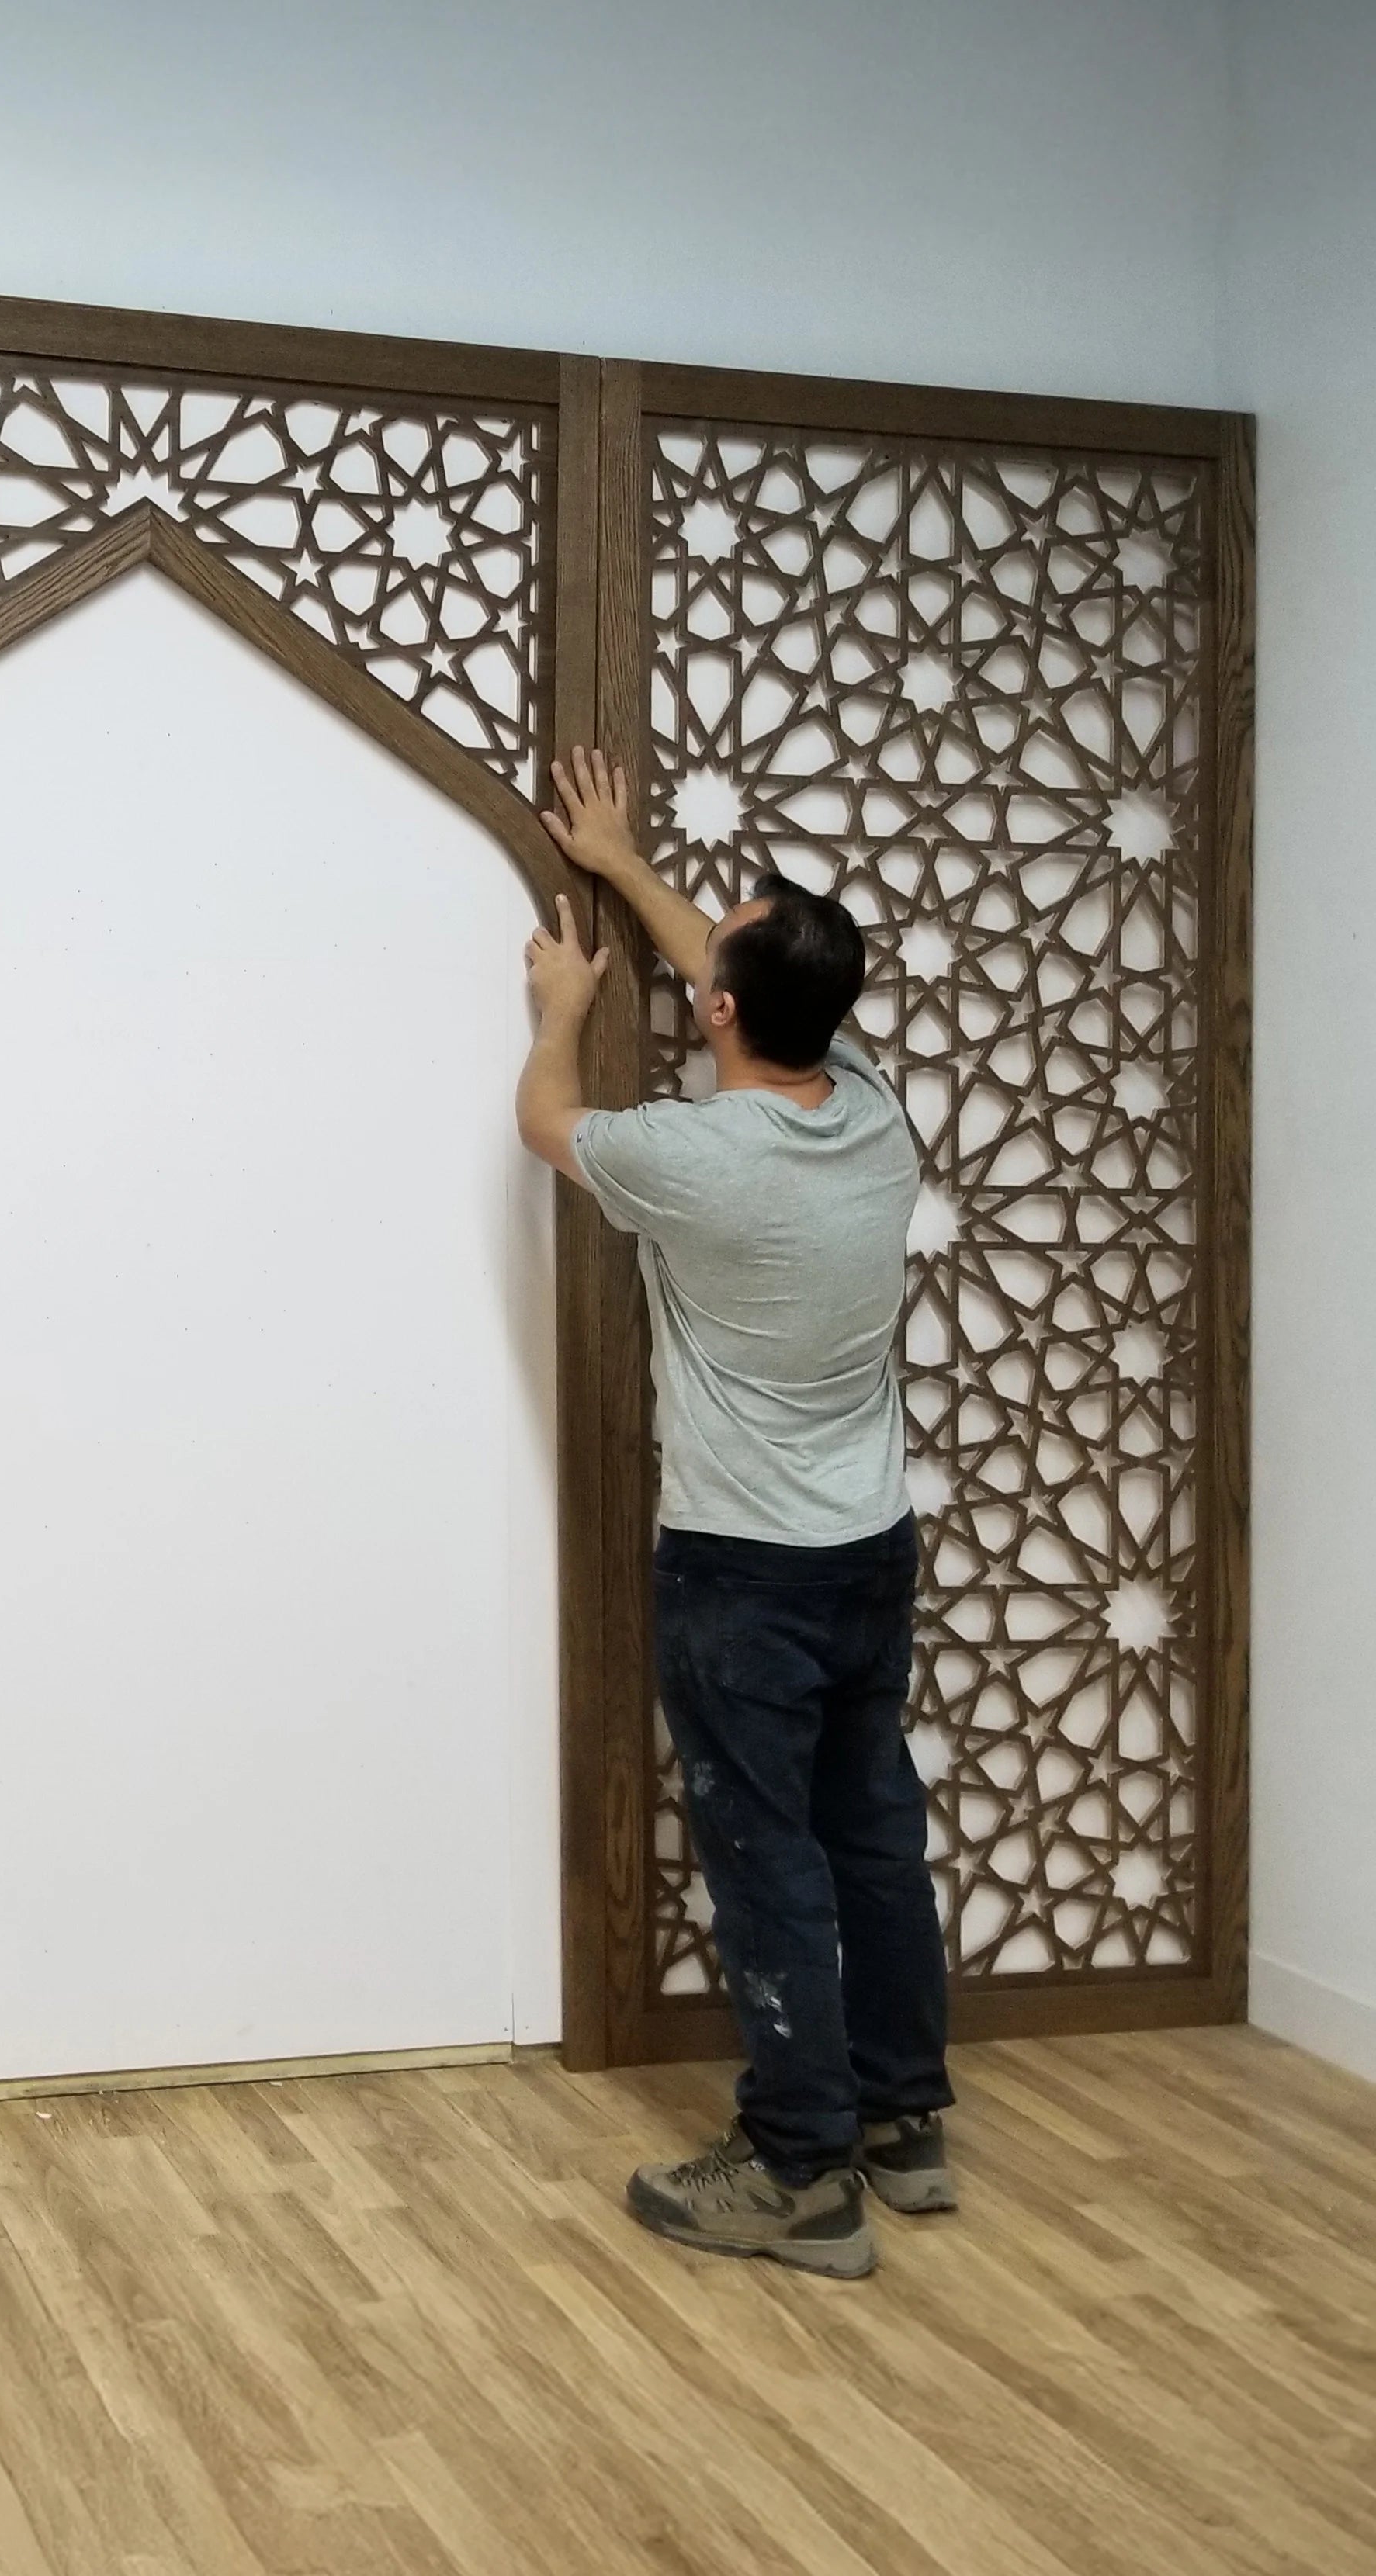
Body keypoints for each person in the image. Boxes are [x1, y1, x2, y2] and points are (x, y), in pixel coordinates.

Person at [515, 746, 953, 2281]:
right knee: (872, 1830)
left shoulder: (692, 1158)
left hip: (742, 1576)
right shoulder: (878, 1116)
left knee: (766, 1854)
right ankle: (905, 2126)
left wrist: (566, 1014)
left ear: (717, 1013)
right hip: (865, 1553)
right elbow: (746, 976)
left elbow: (548, 1125)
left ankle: (797, 2175)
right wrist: (631, 867)